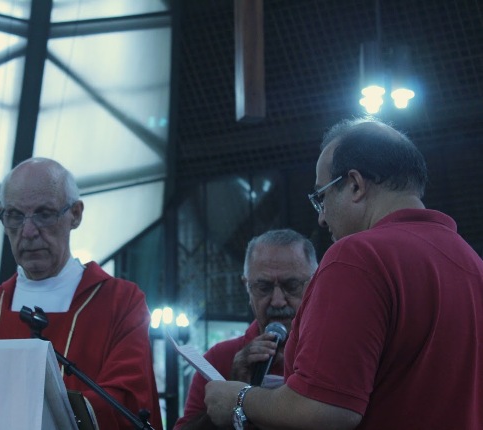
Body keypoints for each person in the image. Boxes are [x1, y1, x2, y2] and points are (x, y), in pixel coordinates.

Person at [203, 117, 483, 430]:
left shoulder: (358, 255)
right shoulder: (472, 263)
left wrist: (240, 398)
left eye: (321, 197)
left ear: (355, 184)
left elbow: (324, 408)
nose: (321, 218)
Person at [0, 157, 163, 430]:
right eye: (15, 216)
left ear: (75, 215)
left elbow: (127, 401)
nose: (28, 232)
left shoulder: (120, 303)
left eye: (44, 214)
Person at [174, 229, 318, 429]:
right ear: (247, 287)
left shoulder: (334, 354)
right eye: (263, 287)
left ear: (315, 283)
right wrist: (231, 389)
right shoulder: (219, 359)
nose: (277, 301)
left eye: (292, 285)